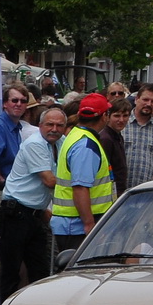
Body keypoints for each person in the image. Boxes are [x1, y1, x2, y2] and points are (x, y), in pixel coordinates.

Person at [0, 106, 62, 299]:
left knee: (39, 272)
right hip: (15, 213)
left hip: (36, 214)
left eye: (59, 125)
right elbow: (49, 180)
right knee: (12, 272)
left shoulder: (61, 143)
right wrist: (78, 182)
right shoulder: (35, 143)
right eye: (50, 124)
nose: (54, 129)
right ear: (39, 125)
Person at [51, 93, 117, 261]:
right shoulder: (86, 144)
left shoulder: (76, 135)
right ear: (104, 116)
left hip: (73, 224)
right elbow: (80, 187)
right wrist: (89, 224)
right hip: (78, 226)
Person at [122, 84, 153, 188]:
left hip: (144, 193)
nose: (149, 104)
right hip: (120, 191)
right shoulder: (121, 122)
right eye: (145, 99)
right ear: (136, 99)